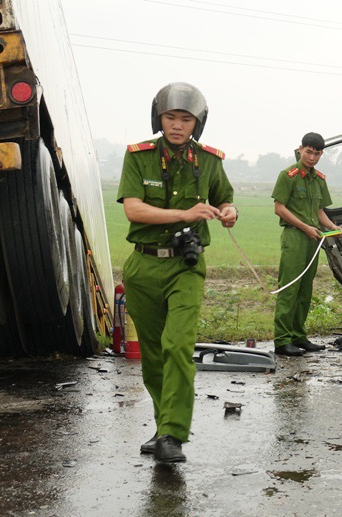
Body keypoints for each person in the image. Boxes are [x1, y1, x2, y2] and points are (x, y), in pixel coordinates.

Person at [118, 82, 237, 462]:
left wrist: (230, 212)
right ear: (159, 118)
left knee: (178, 346)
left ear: (196, 123)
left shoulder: (210, 160)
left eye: (186, 119)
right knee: (152, 354)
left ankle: (173, 434)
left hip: (185, 267)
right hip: (143, 264)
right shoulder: (138, 157)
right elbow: (134, 210)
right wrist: (185, 214)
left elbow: (225, 198)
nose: (177, 125)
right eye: (170, 117)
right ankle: (162, 425)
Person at [271, 132, 341, 356]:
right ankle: (282, 340)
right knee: (290, 288)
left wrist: (332, 227)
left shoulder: (319, 179)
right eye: (309, 152)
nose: (312, 157)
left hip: (314, 239)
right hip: (295, 237)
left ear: (322, 154)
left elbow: (319, 211)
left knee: (305, 290)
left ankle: (298, 336)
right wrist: (305, 227)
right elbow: (279, 208)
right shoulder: (288, 176)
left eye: (317, 153)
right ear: (300, 149)